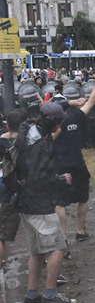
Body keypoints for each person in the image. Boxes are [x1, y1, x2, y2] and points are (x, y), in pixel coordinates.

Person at [15, 102, 77, 303]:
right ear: (54, 122)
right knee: (58, 247)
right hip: (39, 203)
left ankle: (32, 295)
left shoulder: (28, 131)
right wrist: (60, 179)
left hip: (23, 201)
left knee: (37, 251)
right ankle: (50, 295)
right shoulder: (39, 144)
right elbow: (39, 176)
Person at [54, 73, 95, 242]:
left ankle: (63, 237)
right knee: (83, 198)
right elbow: (93, 99)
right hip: (77, 162)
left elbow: (43, 107)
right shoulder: (77, 115)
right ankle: (81, 231)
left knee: (59, 202)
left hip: (59, 165)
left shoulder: (53, 121)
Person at [0, 109, 27, 267]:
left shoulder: (2, 141)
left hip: (6, 186)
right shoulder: (30, 142)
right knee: (35, 226)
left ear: (8, 125)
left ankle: (2, 264)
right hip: (29, 185)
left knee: (2, 233)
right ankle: (42, 258)